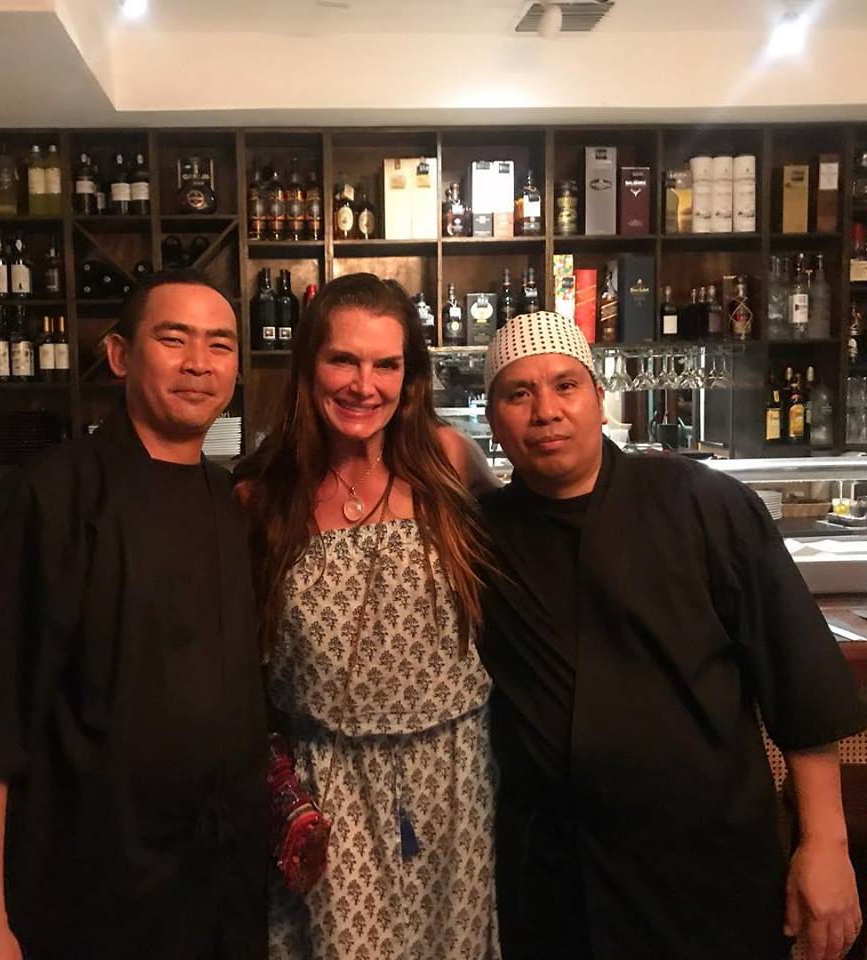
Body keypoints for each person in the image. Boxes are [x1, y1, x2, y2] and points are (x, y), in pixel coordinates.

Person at [479, 310, 867, 960]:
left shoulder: (703, 503)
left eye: (565, 385)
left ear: (598, 398)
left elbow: (799, 685)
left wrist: (825, 845)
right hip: (555, 885)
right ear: (493, 419)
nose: (546, 411)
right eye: (519, 394)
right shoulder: (479, 535)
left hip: (708, 873)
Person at [0, 269, 267, 960]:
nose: (199, 363)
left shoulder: (227, 498)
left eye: (219, 345)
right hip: (92, 883)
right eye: (173, 339)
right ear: (120, 355)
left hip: (217, 881)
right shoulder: (49, 497)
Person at [234, 272, 500, 959]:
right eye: (343, 360)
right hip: (329, 782)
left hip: (454, 775)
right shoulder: (263, 495)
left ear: (409, 377)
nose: (364, 385)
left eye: (386, 364)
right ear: (308, 366)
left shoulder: (448, 461)